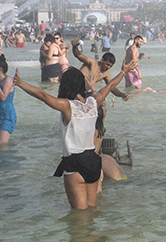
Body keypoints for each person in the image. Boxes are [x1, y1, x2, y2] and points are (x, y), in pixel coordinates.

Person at [13, 62, 132, 209]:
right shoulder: (93, 102)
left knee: (79, 214)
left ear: (66, 86)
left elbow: (42, 95)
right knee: (91, 210)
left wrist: (21, 83)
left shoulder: (67, 106)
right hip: (93, 161)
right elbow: (109, 86)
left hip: (75, 162)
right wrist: (123, 72)